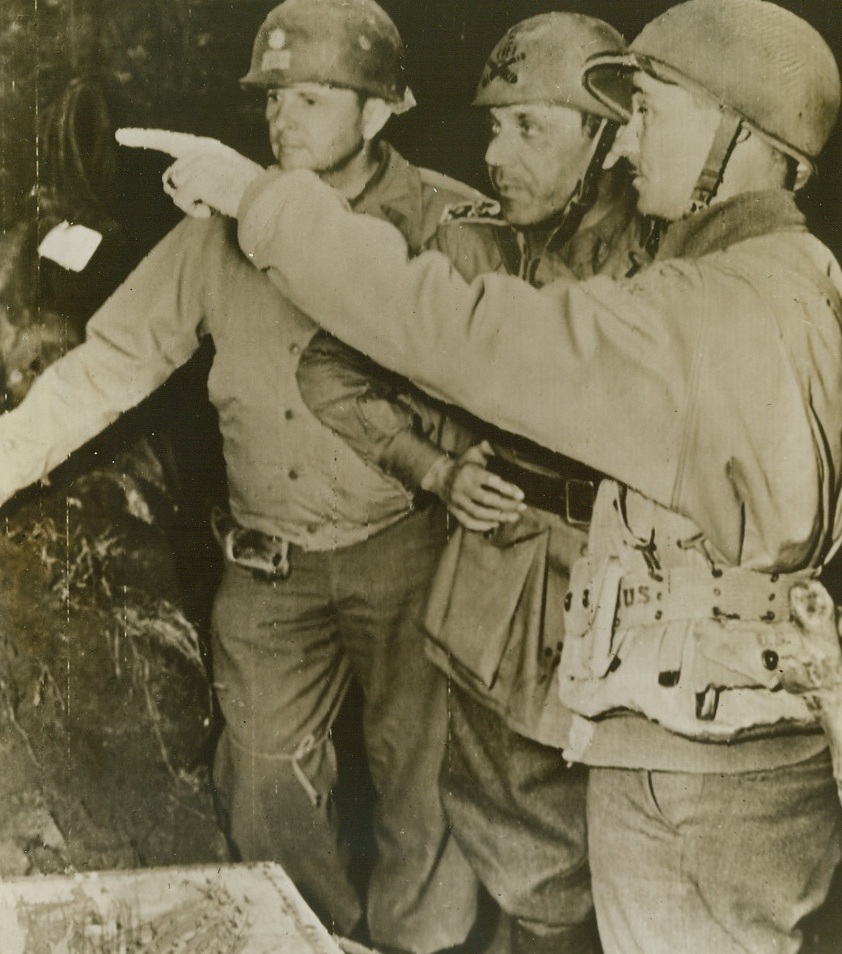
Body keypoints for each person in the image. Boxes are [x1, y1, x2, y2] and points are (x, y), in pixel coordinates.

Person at [161, 0, 842, 950]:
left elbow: (452, 328)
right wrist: (438, 469)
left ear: (741, 134)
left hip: (700, 758)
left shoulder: (701, 309)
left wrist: (263, 200)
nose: (627, 139)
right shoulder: (791, 274)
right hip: (686, 720)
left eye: (648, 112)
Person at [0, 1, 482, 950]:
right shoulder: (217, 232)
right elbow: (109, 366)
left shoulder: (445, 219)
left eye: (311, 97)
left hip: (408, 554)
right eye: (272, 100)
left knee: (430, 800)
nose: (282, 119)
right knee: (263, 795)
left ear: (379, 111)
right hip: (270, 567)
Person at [292, 14, 653, 952]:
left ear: (609, 137)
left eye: (528, 128)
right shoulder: (474, 248)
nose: (495, 154)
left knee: (640, 858)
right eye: (492, 127)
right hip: (504, 590)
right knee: (513, 841)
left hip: (643, 603)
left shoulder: (671, 269)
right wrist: (436, 469)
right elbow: (330, 370)